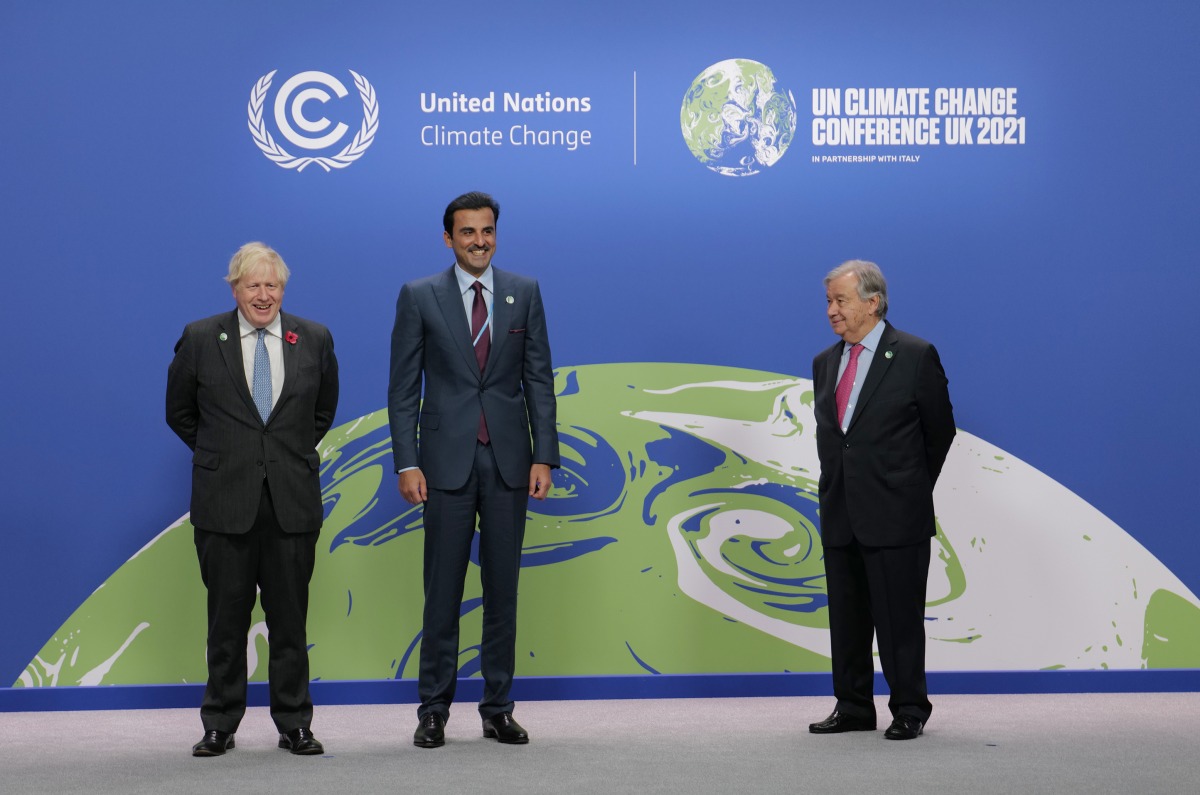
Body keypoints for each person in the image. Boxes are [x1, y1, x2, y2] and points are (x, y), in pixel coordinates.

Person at [388, 191, 559, 748]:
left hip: (510, 463)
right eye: (467, 232)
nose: (478, 241)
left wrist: (543, 455)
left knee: (502, 591)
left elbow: (539, 380)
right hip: (443, 466)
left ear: (495, 234)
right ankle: (433, 710)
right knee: (442, 592)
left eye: (487, 231)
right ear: (448, 238)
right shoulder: (419, 296)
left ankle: (498, 708)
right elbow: (402, 389)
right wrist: (407, 462)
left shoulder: (524, 293)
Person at [166, 242, 339, 757]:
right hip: (225, 503)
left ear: (283, 289)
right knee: (226, 622)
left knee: (290, 620)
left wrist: (280, 454)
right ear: (234, 287)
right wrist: (226, 456)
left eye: (273, 285)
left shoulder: (314, 338)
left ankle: (294, 724)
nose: (264, 296)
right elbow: (180, 413)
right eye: (252, 285)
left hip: (292, 501)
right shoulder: (200, 338)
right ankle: (219, 722)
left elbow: (321, 411)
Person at [808, 259, 955, 741]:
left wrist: (908, 487)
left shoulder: (914, 354)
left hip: (896, 513)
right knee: (847, 621)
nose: (832, 310)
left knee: (899, 621)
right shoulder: (824, 362)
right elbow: (836, 438)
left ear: (873, 303)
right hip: (841, 510)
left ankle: (909, 707)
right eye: (829, 301)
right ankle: (852, 706)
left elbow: (940, 432)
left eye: (841, 300)